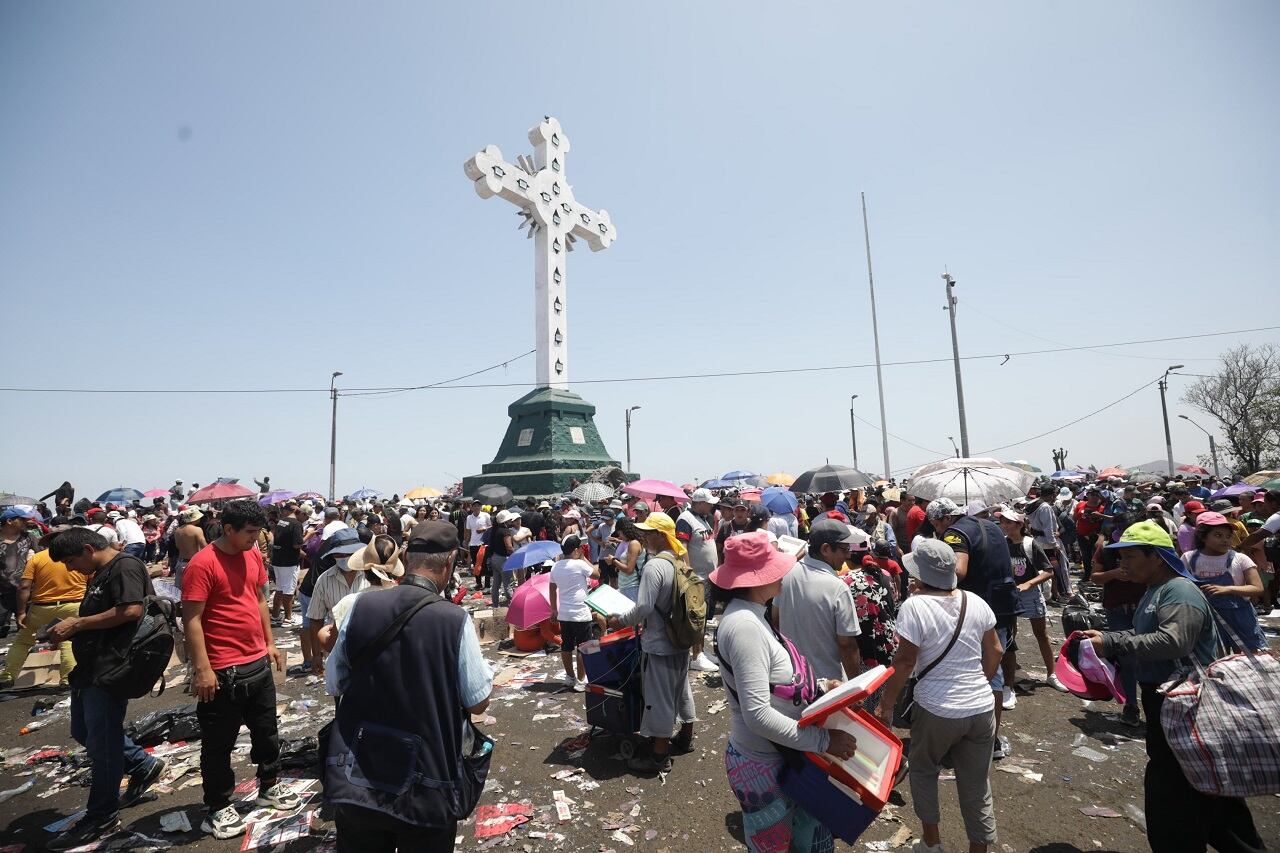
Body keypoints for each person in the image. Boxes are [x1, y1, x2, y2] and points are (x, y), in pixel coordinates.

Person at [1084, 521, 1264, 853]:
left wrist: (1111, 642)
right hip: (1168, 702)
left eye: (1130, 556)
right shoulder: (1154, 590)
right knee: (1207, 794)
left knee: (1175, 795)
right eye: (1120, 558)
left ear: (1157, 557)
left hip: (1189, 704)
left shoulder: (1178, 591)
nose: (1123, 565)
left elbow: (1174, 641)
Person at [324, 520, 494, 852]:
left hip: (360, 777)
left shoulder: (360, 607)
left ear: (407, 558)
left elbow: (335, 681)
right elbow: (477, 703)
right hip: (427, 783)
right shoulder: (454, 619)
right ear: (448, 564)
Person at [711, 531, 857, 853]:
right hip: (764, 763)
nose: (784, 573)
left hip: (787, 754)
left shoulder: (756, 614)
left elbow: (776, 682)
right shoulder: (744, 626)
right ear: (755, 578)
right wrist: (824, 741)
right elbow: (758, 715)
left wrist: (820, 687)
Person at [181, 499, 300, 839]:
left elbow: (259, 599)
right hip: (221, 671)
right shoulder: (203, 564)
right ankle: (218, 806)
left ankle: (268, 785)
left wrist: (271, 643)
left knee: (267, 733)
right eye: (249, 533)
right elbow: (192, 619)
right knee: (219, 744)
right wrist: (202, 669)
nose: (255, 539)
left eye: (258, 532)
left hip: (256, 664)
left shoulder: (251, 555)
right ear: (228, 529)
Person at [43, 528, 165, 851]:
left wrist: (77, 624)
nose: (71, 569)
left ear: (87, 548)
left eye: (71, 561)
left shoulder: (125, 566)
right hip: (92, 669)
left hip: (113, 669)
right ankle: (141, 763)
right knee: (83, 731)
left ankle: (103, 815)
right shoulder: (99, 573)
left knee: (104, 743)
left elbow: (131, 611)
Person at [878, 539, 1003, 853]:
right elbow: (996, 650)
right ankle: (979, 848)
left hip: (936, 707)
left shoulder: (914, 606)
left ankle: (933, 844)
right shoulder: (975, 601)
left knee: (923, 769)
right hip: (981, 707)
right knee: (977, 784)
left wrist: (887, 703)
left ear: (919, 574)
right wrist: (978, 684)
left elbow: (905, 661)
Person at [606, 512, 698, 774]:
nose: (644, 536)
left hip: (659, 642)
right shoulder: (680, 561)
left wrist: (620, 621)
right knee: (681, 689)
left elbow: (644, 606)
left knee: (659, 698)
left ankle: (659, 756)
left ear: (661, 535)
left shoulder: (655, 566)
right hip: (681, 638)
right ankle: (685, 737)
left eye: (648, 532)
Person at [929, 498, 1020, 760]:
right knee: (995, 669)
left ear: (946, 518)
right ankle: (991, 740)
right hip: (1003, 604)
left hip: (976, 609)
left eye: (936, 522)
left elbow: (958, 571)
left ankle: (975, 738)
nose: (936, 528)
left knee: (975, 672)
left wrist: (930, 584)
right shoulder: (991, 526)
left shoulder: (955, 533)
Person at [994, 507, 1066, 705]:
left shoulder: (1030, 543)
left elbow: (1049, 571)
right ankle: (1008, 677)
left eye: (1008, 522)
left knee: (1041, 634)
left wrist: (1029, 583)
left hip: (1030, 593)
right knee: (1010, 635)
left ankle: (1051, 674)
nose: (1004, 525)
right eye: (1002, 522)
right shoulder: (1002, 544)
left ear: (1019, 524)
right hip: (1010, 593)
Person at [0, 524, 86, 689]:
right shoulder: (79, 557)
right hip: (73, 605)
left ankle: (8, 675)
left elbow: (24, 587)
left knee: (23, 641)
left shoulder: (38, 558)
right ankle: (67, 678)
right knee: (67, 641)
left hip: (41, 607)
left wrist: (20, 613)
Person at [775, 518, 861, 682]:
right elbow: (846, 645)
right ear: (826, 549)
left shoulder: (787, 574)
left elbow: (776, 618)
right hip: (827, 683)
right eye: (844, 549)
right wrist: (856, 686)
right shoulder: (838, 588)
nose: (849, 554)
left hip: (791, 677)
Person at [1181, 511, 1267, 651]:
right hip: (1206, 616)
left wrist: (1228, 589)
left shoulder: (1240, 559)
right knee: (1215, 658)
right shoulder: (1189, 558)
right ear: (1202, 536)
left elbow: (1257, 588)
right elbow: (1181, 585)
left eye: (1228, 536)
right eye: (1218, 535)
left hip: (1240, 616)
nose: (1225, 540)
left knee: (1248, 656)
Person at [842, 527, 898, 713]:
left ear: (849, 556)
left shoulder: (846, 581)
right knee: (883, 705)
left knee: (863, 704)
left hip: (865, 648)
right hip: (889, 645)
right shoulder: (887, 575)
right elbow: (894, 602)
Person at [306, 528, 372, 678]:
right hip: (335, 651)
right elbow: (316, 619)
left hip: (367, 649)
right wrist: (316, 655)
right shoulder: (324, 580)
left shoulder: (372, 576)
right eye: (339, 555)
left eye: (349, 554)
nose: (344, 558)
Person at [677, 488, 721, 672]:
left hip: (708, 576)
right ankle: (696, 656)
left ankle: (701, 651)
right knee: (696, 618)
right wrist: (689, 573)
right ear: (699, 503)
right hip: (697, 577)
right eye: (708, 503)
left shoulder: (703, 519)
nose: (711, 505)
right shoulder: (685, 519)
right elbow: (682, 547)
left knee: (703, 618)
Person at [548, 535, 598, 691]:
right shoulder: (579, 564)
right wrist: (584, 559)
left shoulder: (555, 566)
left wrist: (553, 609)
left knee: (566, 646)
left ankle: (570, 677)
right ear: (576, 550)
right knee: (585, 647)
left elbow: (552, 588)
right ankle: (582, 680)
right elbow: (597, 574)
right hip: (581, 613)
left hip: (564, 613)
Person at [269, 502, 305, 625]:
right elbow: (297, 544)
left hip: (278, 560)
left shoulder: (281, 522)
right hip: (289, 562)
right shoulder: (296, 524)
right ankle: (288, 618)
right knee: (289, 590)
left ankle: (275, 615)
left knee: (279, 589)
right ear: (295, 510)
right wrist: (309, 536)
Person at [605, 519, 646, 602]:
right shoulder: (632, 542)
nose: (620, 537)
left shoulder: (634, 544)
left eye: (620, 533)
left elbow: (629, 570)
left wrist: (613, 561)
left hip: (631, 587)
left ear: (625, 531)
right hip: (626, 587)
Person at [172, 507, 207, 588]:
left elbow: (177, 546)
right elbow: (204, 546)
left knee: (179, 590)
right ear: (195, 518)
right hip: (192, 563)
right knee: (194, 588)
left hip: (180, 562)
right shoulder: (197, 530)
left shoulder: (177, 530)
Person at [464, 501, 492, 589]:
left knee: (485, 564)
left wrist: (483, 529)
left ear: (481, 507)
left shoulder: (486, 515)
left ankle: (487, 585)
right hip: (473, 543)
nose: (476, 507)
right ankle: (478, 583)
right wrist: (467, 542)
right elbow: (468, 531)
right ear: (472, 508)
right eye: (475, 506)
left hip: (484, 544)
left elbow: (491, 527)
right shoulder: (469, 517)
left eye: (478, 506)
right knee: (476, 564)